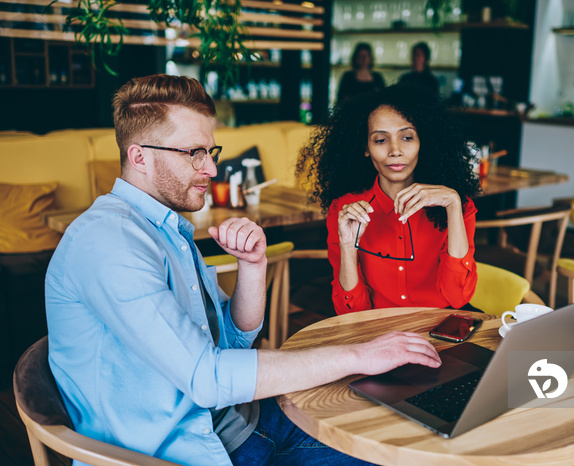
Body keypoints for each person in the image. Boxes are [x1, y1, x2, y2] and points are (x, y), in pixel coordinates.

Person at [45, 74, 442, 466]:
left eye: (210, 152)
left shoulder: (167, 229)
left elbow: (235, 341)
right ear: (139, 157)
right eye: (193, 153)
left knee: (402, 434)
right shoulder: (110, 242)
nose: (211, 170)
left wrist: (253, 265)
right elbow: (208, 377)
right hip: (191, 452)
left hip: (245, 424)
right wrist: (361, 356)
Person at [298, 83, 481, 315]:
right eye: (380, 140)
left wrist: (453, 206)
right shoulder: (344, 210)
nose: (395, 150)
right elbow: (351, 312)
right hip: (378, 333)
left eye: (406, 137)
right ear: (365, 147)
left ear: (422, 142)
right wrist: (347, 246)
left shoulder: (456, 205)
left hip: (441, 328)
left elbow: (457, 297)